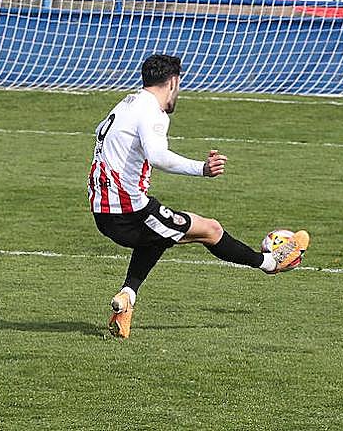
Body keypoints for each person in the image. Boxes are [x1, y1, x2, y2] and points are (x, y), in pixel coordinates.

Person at [89, 53, 310, 339]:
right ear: (172, 82)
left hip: (105, 211)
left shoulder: (125, 105)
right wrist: (202, 169)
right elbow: (157, 156)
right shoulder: (151, 111)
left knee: (160, 236)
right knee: (210, 229)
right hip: (129, 211)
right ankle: (270, 263)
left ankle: (127, 297)